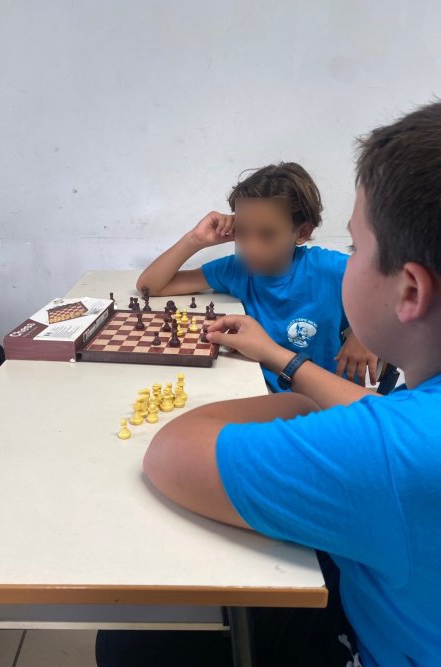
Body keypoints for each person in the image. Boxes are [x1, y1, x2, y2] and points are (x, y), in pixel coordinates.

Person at [142, 101, 441, 666]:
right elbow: (152, 285)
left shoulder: (390, 445)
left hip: (310, 437)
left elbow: (169, 453)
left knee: (131, 644)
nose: (345, 261)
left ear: (409, 289)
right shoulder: (403, 418)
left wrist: (311, 362)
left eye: (357, 248)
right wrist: (198, 237)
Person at [136, 163, 378, 389]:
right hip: (257, 391)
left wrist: (364, 337)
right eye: (242, 232)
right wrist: (195, 239)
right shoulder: (236, 269)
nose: (250, 248)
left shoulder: (330, 269)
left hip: (323, 397)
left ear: (302, 232)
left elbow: (389, 289)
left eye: (267, 234)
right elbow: (150, 286)